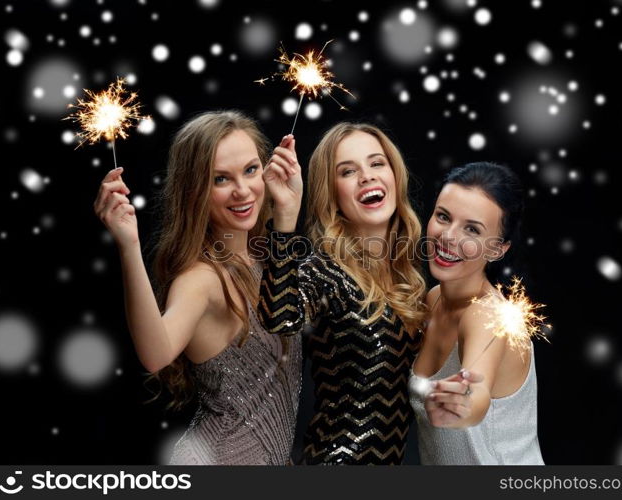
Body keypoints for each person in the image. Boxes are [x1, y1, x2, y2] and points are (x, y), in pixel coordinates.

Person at [93, 110, 302, 465]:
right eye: (220, 179)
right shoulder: (203, 277)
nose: (242, 190)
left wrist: (286, 215)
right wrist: (129, 246)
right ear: (195, 190)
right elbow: (156, 353)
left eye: (251, 170)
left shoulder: (265, 258)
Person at [258, 123, 427, 464]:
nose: (367, 176)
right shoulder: (324, 272)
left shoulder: (406, 277)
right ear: (332, 194)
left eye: (377, 163)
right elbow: (279, 319)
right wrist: (286, 216)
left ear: (395, 176)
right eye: (348, 171)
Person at [408, 162, 544, 465]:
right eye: (443, 217)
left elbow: (477, 391)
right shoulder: (432, 302)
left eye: (472, 229)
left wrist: (464, 403)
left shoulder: (488, 315)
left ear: (498, 249)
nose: (449, 237)